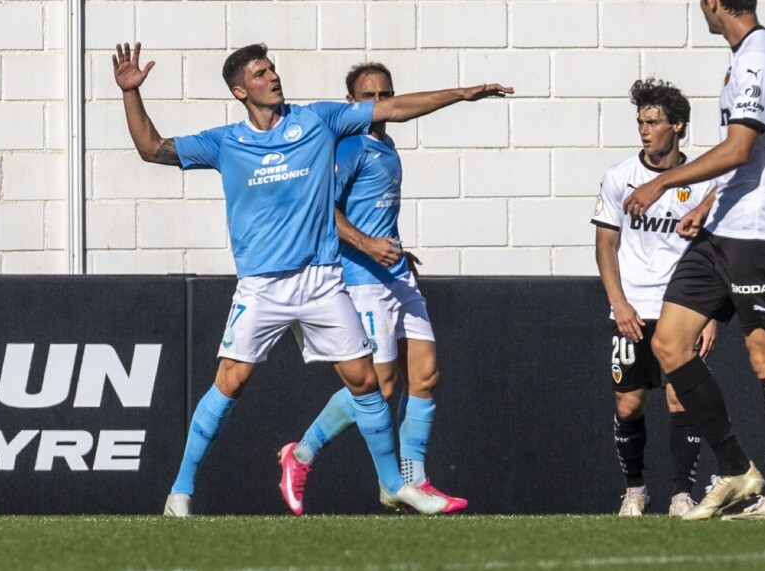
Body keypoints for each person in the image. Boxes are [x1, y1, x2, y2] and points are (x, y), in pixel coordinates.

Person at [111, 41, 512, 517]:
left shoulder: (318, 120)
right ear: (240, 90)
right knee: (231, 382)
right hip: (263, 286)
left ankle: (393, 485)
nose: (273, 77)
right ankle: (180, 491)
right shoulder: (226, 142)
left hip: (321, 280)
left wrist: (463, 93)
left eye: (273, 69)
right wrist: (131, 93)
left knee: (367, 382)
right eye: (260, 74)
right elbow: (151, 149)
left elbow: (396, 108)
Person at [623, 0, 765, 520]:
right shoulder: (746, 55)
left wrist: (665, 183)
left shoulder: (757, 55)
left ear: (711, 0)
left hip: (761, 231)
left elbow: (741, 146)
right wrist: (708, 199)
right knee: (669, 343)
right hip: (725, 225)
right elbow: (744, 160)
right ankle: (734, 467)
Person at [276, 63, 466, 516]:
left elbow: (374, 212)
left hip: (396, 275)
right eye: (368, 96)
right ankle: (299, 455)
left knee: (424, 376)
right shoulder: (350, 146)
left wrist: (400, 252)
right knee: (378, 390)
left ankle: (413, 481)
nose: (377, 103)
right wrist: (366, 245)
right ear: (351, 103)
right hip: (360, 280)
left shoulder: (388, 145)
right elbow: (322, 208)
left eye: (385, 94)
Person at [593, 79, 719, 517]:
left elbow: (714, 251)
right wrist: (619, 303)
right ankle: (634, 490)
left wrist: (710, 316)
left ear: (678, 126)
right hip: (630, 309)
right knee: (628, 403)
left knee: (680, 398)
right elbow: (605, 244)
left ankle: (682, 493)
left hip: (682, 308)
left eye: (654, 122)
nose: (645, 130)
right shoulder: (619, 177)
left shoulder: (703, 182)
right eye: (641, 122)